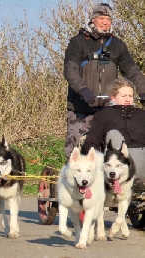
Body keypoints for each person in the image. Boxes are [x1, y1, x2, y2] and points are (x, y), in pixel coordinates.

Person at [64, 2, 145, 160]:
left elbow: (133, 72)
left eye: (108, 19)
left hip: (109, 111)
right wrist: (82, 89)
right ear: (93, 20)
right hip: (81, 109)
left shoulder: (118, 45)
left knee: (109, 154)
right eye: (101, 18)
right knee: (75, 154)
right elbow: (70, 70)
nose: (105, 22)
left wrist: (143, 90)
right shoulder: (78, 42)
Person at [81, 77, 145, 229]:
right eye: (124, 96)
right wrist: (92, 159)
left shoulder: (141, 115)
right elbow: (93, 140)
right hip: (116, 161)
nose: (128, 99)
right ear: (113, 97)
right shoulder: (104, 114)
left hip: (141, 158)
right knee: (114, 134)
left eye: (130, 96)